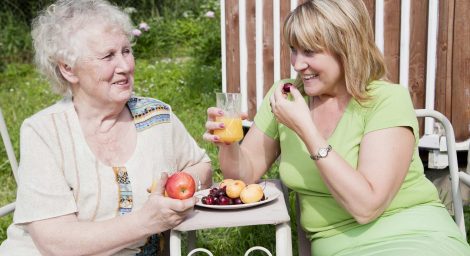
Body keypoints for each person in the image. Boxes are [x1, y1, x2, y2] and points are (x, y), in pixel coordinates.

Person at [204, 0, 470, 255]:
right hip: (338, 245)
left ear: (346, 49)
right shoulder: (286, 96)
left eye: (309, 51)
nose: (297, 64)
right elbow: (242, 174)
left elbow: (366, 207)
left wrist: (307, 130)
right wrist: (230, 143)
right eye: (294, 49)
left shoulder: (386, 100)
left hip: (416, 235)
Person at [0, 0, 212, 255]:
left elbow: (201, 166)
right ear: (68, 69)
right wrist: (147, 221)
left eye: (126, 51)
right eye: (108, 56)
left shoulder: (157, 116)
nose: (124, 66)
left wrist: (175, 192)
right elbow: (56, 241)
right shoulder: (45, 132)